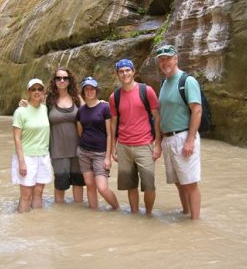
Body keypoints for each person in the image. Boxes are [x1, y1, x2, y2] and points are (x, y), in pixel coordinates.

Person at [109, 59, 162, 215]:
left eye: (127, 70)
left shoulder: (147, 91)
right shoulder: (115, 97)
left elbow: (157, 118)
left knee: (149, 185)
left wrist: (157, 143)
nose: (125, 74)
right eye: (121, 71)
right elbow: (113, 124)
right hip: (124, 146)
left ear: (133, 72)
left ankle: (148, 215)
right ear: (117, 74)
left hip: (144, 144)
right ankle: (134, 215)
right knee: (130, 185)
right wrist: (113, 148)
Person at [156, 44, 202, 219]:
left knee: (190, 183)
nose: (164, 62)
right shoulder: (164, 83)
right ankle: (186, 213)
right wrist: (158, 142)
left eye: (168, 58)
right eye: (161, 59)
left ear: (176, 58)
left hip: (183, 137)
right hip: (168, 139)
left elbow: (197, 111)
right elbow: (161, 115)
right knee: (178, 183)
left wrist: (190, 140)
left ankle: (195, 223)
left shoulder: (187, 81)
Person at [76, 76, 119, 210]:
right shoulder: (80, 111)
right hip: (83, 152)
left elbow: (109, 134)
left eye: (92, 88)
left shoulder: (104, 108)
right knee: (89, 184)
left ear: (96, 90)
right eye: (86, 89)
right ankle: (93, 213)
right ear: (83, 92)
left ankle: (117, 209)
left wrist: (108, 156)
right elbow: (80, 132)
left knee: (102, 187)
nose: (89, 91)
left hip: (100, 154)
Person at [12, 79, 52, 213]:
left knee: (38, 193)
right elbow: (17, 138)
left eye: (39, 89)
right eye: (33, 89)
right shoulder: (20, 111)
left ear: (43, 92)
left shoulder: (45, 108)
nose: (36, 92)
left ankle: (36, 226)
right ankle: (21, 227)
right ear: (28, 92)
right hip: (27, 157)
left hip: (43, 155)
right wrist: (21, 162)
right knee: (26, 195)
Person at [46, 67, 85, 203]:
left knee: (78, 183)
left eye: (65, 78)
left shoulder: (77, 99)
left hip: (77, 150)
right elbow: (34, 109)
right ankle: (60, 217)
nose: (62, 80)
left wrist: (102, 104)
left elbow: (89, 113)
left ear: (69, 81)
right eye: (58, 78)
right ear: (54, 81)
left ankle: (78, 215)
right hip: (58, 151)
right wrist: (24, 104)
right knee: (60, 184)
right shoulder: (48, 100)